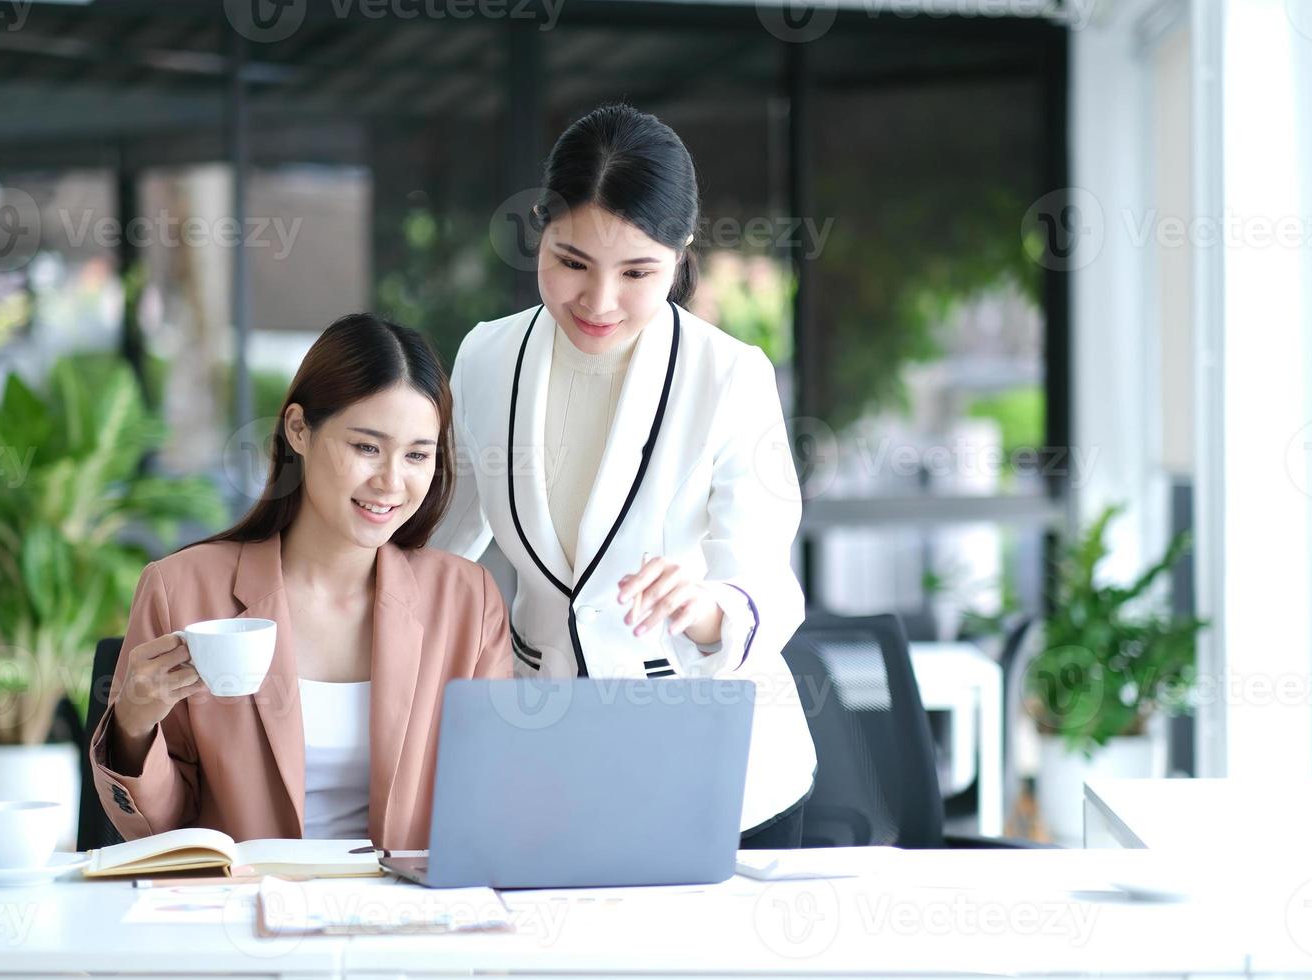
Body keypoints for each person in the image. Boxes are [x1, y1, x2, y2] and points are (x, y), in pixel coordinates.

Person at [433, 104, 816, 847]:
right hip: (545, 747)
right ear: (541, 226)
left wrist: (704, 605)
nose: (598, 302)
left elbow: (767, 579)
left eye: (637, 272)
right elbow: (442, 547)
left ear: (681, 254)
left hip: (711, 763)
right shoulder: (487, 357)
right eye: (571, 262)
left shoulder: (729, 375)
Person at [88, 314, 511, 849]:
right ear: (298, 430)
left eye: (417, 456)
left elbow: (493, 800)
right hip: (239, 912)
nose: (391, 482)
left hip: (404, 919)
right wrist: (132, 725)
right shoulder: (183, 590)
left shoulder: (467, 602)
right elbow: (161, 832)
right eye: (366, 447)